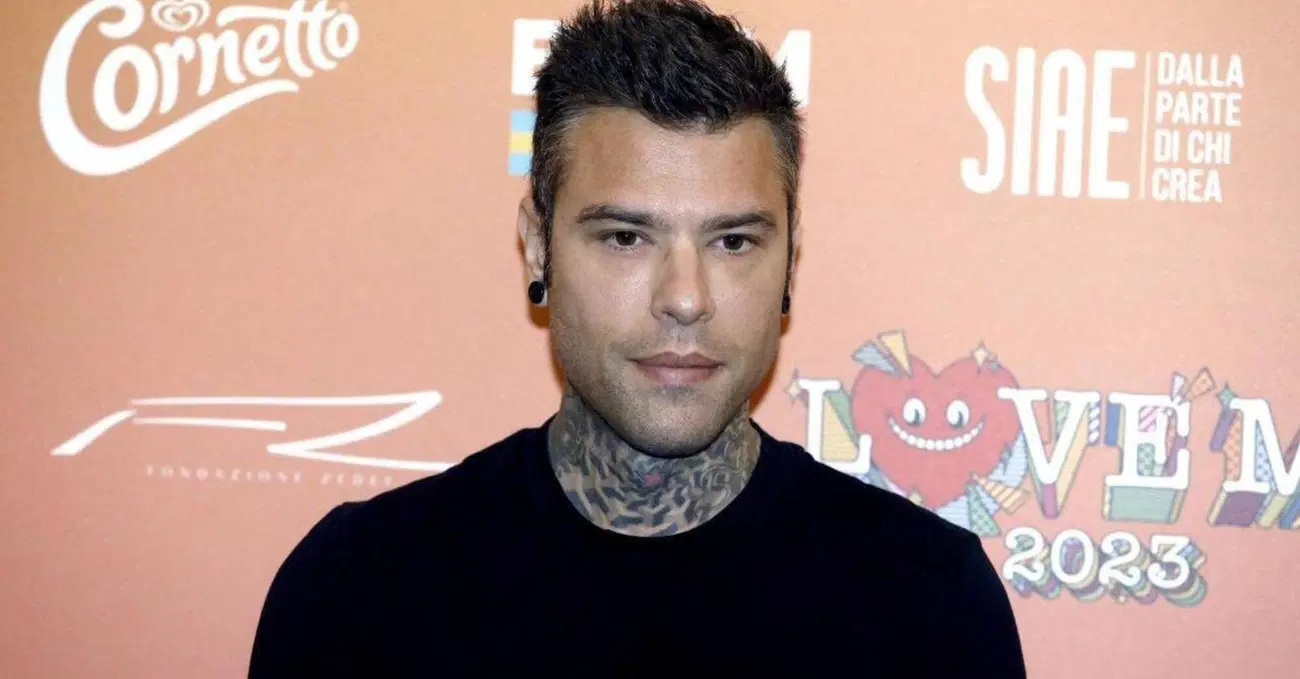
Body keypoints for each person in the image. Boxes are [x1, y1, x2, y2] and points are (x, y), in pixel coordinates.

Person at [248, 0, 1027, 676]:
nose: (684, 297)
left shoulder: (928, 603)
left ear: (790, 261)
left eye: (733, 241)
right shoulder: (357, 589)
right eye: (626, 237)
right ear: (537, 246)